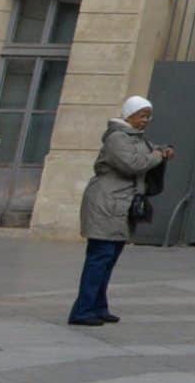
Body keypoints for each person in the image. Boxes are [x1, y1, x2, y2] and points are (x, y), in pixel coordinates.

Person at [71, 97, 172, 326]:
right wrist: (158, 156)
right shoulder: (117, 138)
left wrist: (162, 150)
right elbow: (132, 164)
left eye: (148, 116)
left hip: (120, 204)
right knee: (99, 258)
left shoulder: (135, 138)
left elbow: (147, 151)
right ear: (128, 115)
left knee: (109, 258)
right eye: (142, 116)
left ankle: (98, 306)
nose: (145, 121)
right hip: (106, 204)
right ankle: (83, 310)